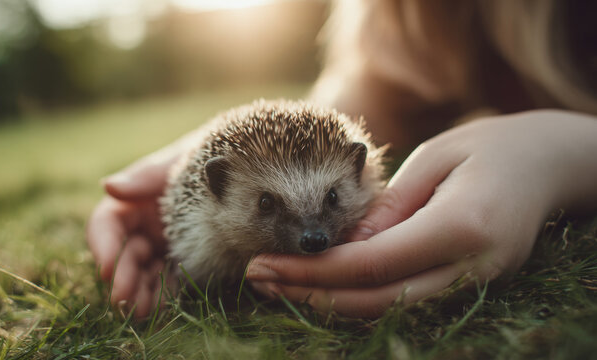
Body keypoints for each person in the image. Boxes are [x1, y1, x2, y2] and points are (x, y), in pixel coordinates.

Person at [86, 0, 597, 318]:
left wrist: (551, 152)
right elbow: (371, 86)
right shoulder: (415, 17)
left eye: (332, 199)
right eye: (267, 205)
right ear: (216, 189)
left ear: (360, 171)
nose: (313, 233)